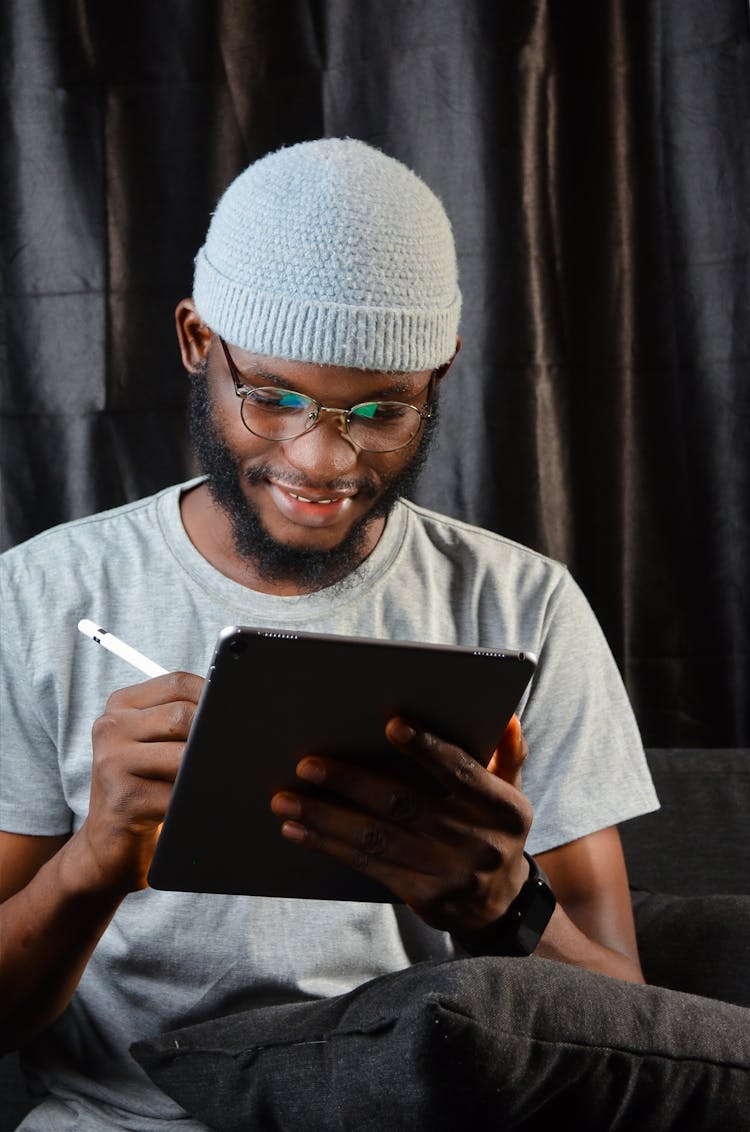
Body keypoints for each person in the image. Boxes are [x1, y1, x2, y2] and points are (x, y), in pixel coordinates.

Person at [0, 139, 746, 1131]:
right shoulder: (44, 595)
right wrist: (91, 863)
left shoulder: (524, 607)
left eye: (381, 409)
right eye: (271, 397)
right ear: (194, 340)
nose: (320, 461)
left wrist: (502, 906)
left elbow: (632, 1019)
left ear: (439, 377)